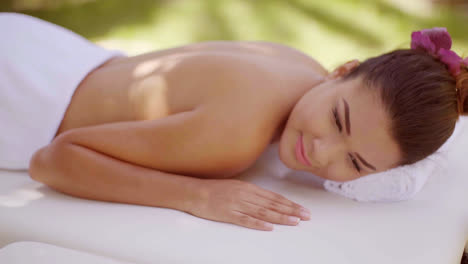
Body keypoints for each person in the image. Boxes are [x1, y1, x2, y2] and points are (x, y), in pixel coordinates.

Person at [3, 13, 466, 231]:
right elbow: (55, 160)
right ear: (343, 69)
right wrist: (198, 195)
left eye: (357, 163)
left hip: (47, 48)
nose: (322, 153)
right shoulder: (234, 138)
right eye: (338, 120)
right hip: (22, 99)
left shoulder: (299, 65)